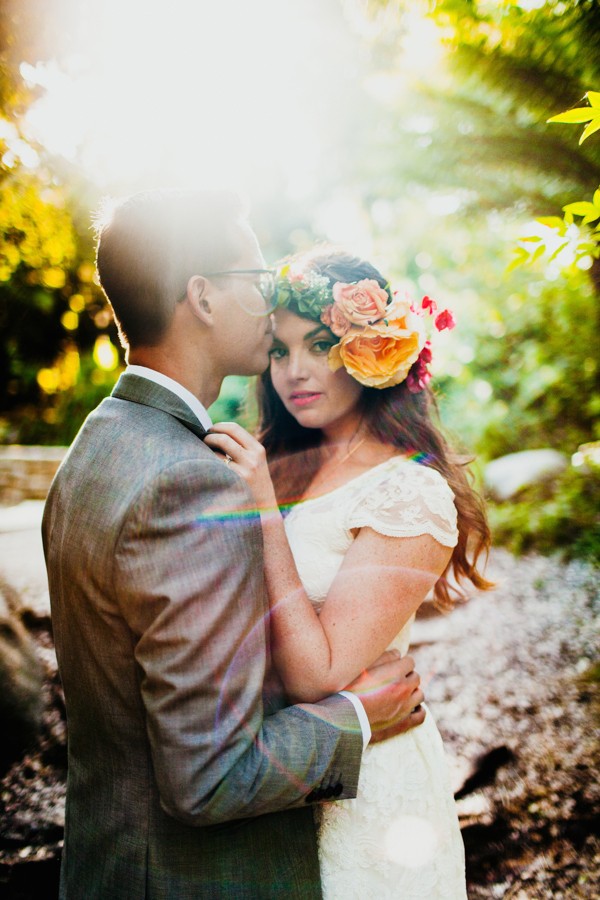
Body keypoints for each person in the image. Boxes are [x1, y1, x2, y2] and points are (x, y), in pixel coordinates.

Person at [41, 191, 427, 900]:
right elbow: (209, 778)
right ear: (204, 297)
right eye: (253, 281)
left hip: (111, 865)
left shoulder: (98, 445)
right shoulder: (187, 483)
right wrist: (356, 719)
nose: (268, 297)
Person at [206, 248, 492, 898]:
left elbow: (318, 674)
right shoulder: (269, 462)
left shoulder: (408, 492)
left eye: (321, 344)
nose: (296, 371)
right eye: (279, 351)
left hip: (368, 796)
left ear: (373, 349)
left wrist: (264, 514)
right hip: (263, 776)